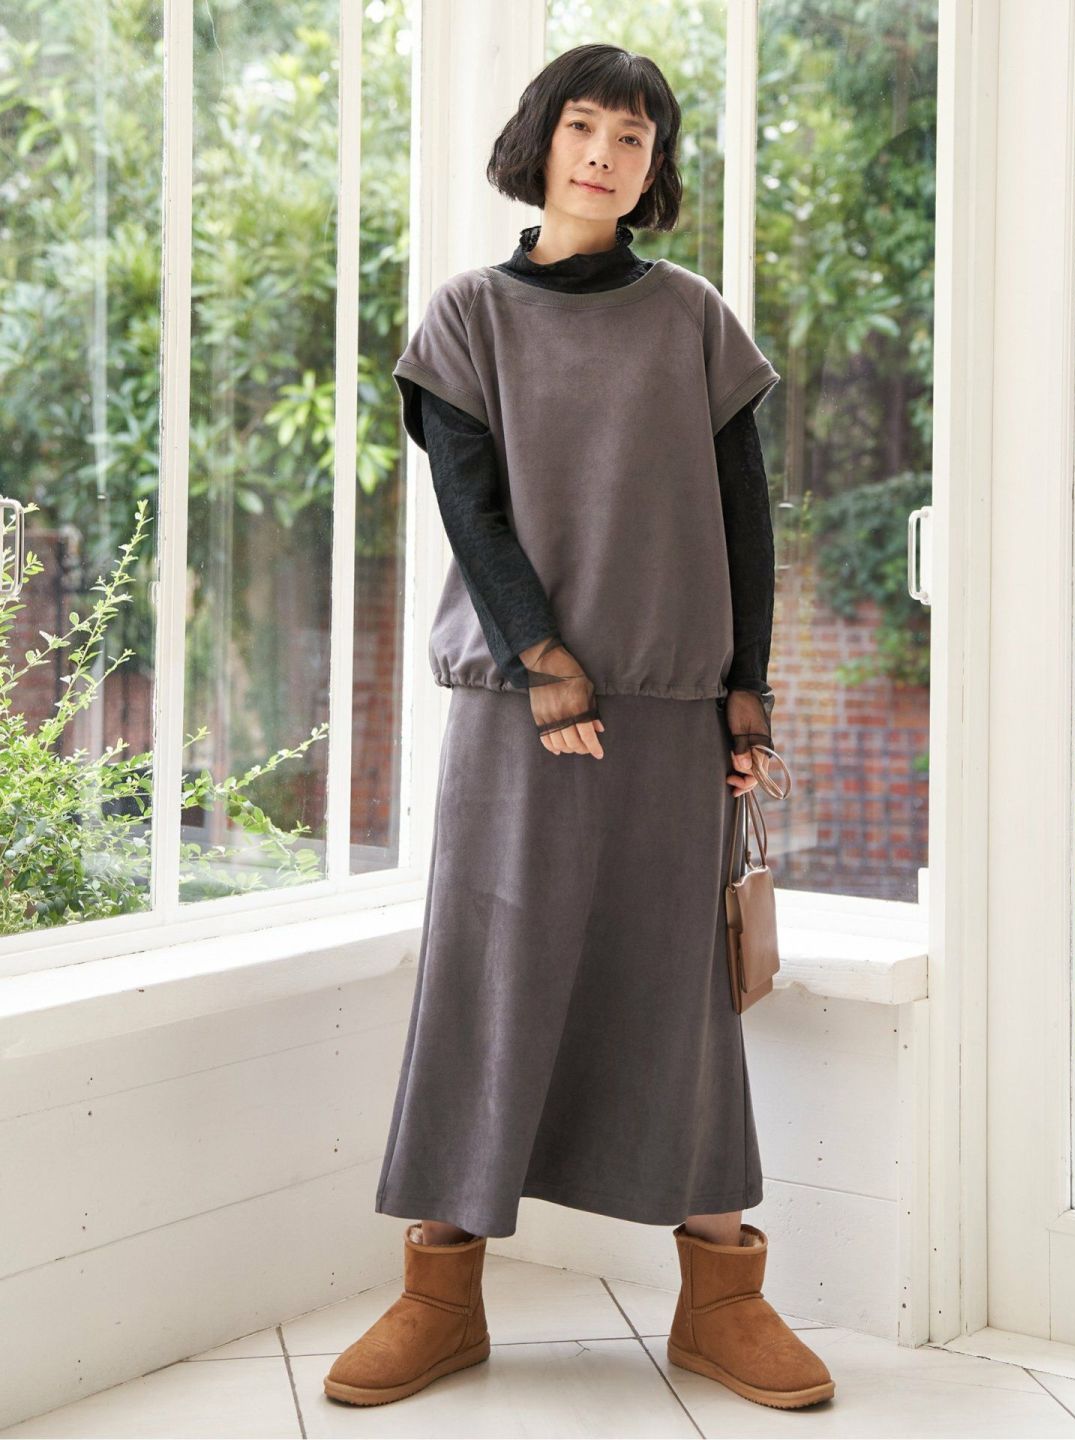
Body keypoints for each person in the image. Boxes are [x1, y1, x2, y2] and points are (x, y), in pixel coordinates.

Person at [324, 42, 835, 1414]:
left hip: (669, 712)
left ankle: (722, 1301)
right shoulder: (467, 318)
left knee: (679, 995)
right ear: (541, 141)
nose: (606, 154)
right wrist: (544, 660)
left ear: (654, 167)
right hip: (517, 709)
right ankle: (441, 1296)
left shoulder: (694, 322)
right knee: (484, 980)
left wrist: (748, 686)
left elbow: (743, 518)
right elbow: (473, 514)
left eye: (634, 137)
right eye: (584, 126)